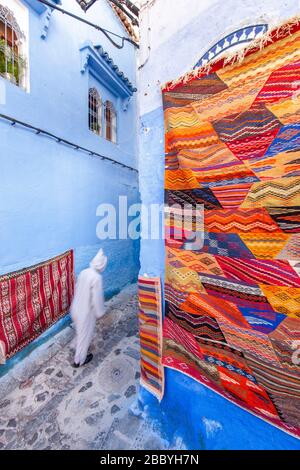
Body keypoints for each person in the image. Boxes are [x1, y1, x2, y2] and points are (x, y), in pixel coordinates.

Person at [71, 248, 107, 367]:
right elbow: (97, 298)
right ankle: (79, 360)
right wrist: (100, 312)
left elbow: (77, 288)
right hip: (85, 313)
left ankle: (75, 345)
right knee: (84, 336)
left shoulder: (84, 272)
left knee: (80, 332)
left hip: (76, 308)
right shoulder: (97, 277)